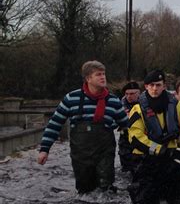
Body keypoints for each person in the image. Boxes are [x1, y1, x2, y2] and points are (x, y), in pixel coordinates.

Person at [37, 60, 128, 194]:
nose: (103, 77)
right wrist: (44, 149)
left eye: (104, 74)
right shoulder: (71, 98)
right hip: (81, 156)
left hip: (105, 154)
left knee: (106, 189)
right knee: (85, 191)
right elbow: (55, 124)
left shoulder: (113, 101)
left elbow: (126, 125)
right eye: (98, 74)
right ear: (88, 78)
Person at [127, 69, 180, 204]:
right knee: (146, 201)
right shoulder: (137, 109)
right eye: (151, 85)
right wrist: (158, 149)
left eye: (158, 85)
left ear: (164, 86)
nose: (154, 88)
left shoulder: (176, 105)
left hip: (169, 157)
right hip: (146, 160)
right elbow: (135, 138)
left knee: (172, 199)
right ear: (146, 87)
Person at [118, 81, 141, 173]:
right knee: (126, 167)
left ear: (139, 93)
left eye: (132, 94)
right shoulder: (121, 104)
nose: (129, 96)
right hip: (125, 137)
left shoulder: (145, 102)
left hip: (141, 136)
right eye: (126, 94)